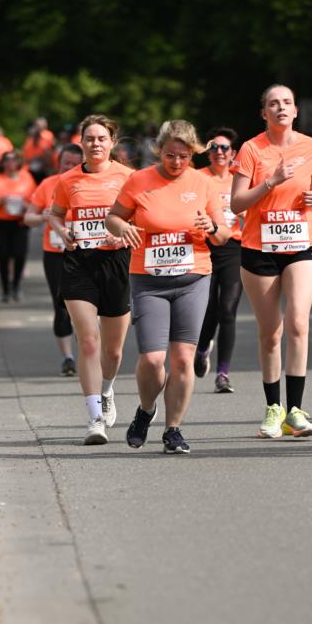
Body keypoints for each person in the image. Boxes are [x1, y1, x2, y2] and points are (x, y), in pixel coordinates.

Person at [105, 119, 230, 454]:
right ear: (159, 151)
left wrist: (212, 225)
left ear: (193, 154)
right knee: (151, 359)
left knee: (183, 359)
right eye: (171, 155)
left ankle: (173, 429)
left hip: (193, 278)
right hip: (149, 279)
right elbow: (113, 217)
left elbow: (223, 235)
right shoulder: (139, 180)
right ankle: (146, 410)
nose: (177, 162)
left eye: (185, 156)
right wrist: (122, 229)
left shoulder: (203, 184)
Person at [230, 84, 312, 439]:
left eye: (287, 102)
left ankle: (296, 411)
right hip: (260, 248)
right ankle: (274, 409)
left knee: (298, 322)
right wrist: (271, 180)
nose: (281, 107)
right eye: (274, 103)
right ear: (264, 113)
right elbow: (237, 204)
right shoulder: (252, 149)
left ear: (295, 111)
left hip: (303, 244)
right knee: (271, 332)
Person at [49, 114, 132, 445]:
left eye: (101, 138)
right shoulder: (68, 180)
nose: (95, 144)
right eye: (89, 139)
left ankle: (108, 389)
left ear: (112, 142)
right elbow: (54, 214)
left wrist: (124, 235)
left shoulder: (129, 177)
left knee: (113, 351)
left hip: (116, 263)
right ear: (81, 142)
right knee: (88, 341)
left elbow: (143, 217)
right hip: (78, 262)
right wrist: (61, 231)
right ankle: (94, 417)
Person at [24, 143, 83, 376]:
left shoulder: (88, 184)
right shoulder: (48, 184)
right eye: (65, 163)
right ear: (58, 163)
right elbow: (28, 217)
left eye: (74, 164)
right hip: (55, 253)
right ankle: (68, 358)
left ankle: (88, 351)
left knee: (85, 306)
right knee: (61, 305)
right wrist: (42, 217)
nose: (69, 167)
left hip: (84, 252)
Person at [193, 127, 244, 393]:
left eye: (224, 148)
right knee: (209, 308)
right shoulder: (198, 178)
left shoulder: (240, 178)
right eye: (214, 147)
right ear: (208, 152)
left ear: (233, 153)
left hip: (234, 247)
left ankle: (223, 373)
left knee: (228, 309)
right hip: (204, 247)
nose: (219, 152)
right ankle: (202, 349)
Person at [0, 150, 37, 302]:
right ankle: (5, 290)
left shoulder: (27, 178)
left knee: (20, 255)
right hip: (2, 221)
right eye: (7, 159)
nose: (10, 162)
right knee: (3, 256)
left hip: (20, 222)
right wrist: (1, 201)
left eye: (13, 159)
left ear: (19, 162)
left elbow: (36, 203)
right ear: (2, 162)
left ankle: (16, 286)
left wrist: (26, 206)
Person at [23, 117, 56, 184]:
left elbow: (50, 152)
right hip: (32, 168)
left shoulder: (48, 136)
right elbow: (26, 157)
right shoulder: (29, 140)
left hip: (45, 168)